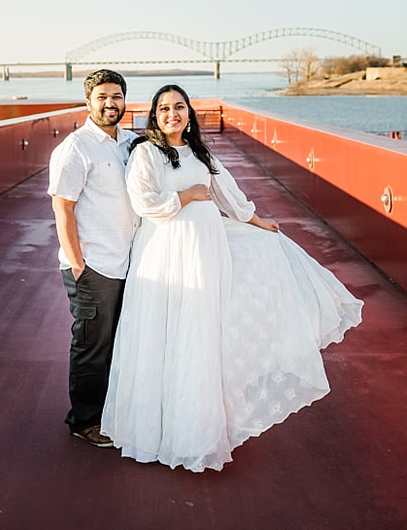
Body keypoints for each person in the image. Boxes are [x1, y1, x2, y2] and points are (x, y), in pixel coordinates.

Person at [101, 84, 364, 472]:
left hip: (206, 252)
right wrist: (188, 195)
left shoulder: (202, 153)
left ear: (189, 113)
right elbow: (144, 202)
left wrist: (257, 221)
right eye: (164, 109)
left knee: (199, 332)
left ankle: (195, 429)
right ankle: (153, 430)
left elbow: (228, 195)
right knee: (162, 332)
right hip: (164, 254)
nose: (172, 114)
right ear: (154, 116)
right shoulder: (147, 153)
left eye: (179, 107)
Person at [47, 69, 140, 448]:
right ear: (88, 102)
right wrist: (78, 265)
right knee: (92, 345)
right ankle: (84, 421)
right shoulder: (76, 148)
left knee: (122, 342)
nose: (110, 103)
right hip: (94, 266)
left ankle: (113, 412)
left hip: (129, 262)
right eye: (102, 97)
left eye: (116, 96)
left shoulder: (131, 144)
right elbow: (63, 208)